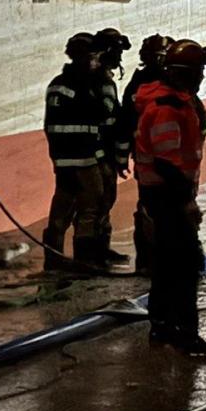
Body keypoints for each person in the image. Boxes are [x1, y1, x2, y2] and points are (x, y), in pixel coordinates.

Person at [133, 38, 206, 357]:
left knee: (167, 265)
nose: (202, 77)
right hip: (168, 198)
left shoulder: (173, 101)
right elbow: (167, 162)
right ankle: (185, 334)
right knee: (184, 268)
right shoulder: (167, 107)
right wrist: (187, 202)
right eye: (199, 72)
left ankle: (161, 326)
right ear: (185, 73)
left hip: (162, 196)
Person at [42, 32, 115, 270]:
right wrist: (105, 84)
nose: (97, 61)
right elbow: (102, 114)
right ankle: (85, 262)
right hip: (83, 159)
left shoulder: (57, 84)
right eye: (95, 57)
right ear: (86, 57)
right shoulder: (85, 86)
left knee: (61, 208)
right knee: (90, 208)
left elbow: (51, 125)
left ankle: (53, 263)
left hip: (62, 159)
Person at [120, 34, 173, 275]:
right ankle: (157, 261)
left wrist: (122, 155)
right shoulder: (171, 84)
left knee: (148, 209)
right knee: (163, 210)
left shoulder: (137, 83)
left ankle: (146, 261)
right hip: (165, 163)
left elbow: (125, 119)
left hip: (147, 159)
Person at [90, 28, 132, 267]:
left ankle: (101, 250)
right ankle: (94, 254)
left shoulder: (101, 79)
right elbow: (107, 123)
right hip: (99, 155)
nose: (119, 58)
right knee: (98, 202)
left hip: (102, 154)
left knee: (104, 201)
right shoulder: (99, 82)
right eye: (116, 51)